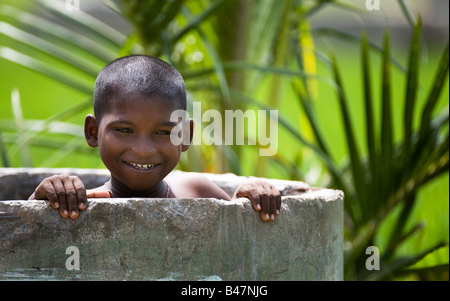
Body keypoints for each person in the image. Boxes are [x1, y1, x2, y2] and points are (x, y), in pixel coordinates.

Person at [29, 55, 281, 222]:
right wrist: (42, 198)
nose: (143, 150)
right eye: (125, 130)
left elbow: (237, 237)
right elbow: (19, 239)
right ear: (93, 132)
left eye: (163, 132)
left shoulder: (195, 190)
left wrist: (248, 197)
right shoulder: (76, 205)